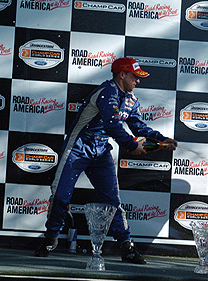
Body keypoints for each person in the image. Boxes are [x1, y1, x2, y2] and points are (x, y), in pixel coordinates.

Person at [35, 57, 177, 264]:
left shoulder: (131, 99)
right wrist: (131, 144)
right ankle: (50, 239)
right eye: (135, 77)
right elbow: (112, 125)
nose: (138, 81)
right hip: (77, 148)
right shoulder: (107, 92)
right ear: (122, 75)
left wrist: (161, 139)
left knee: (112, 201)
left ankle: (126, 246)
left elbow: (137, 126)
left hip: (101, 151)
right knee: (60, 196)